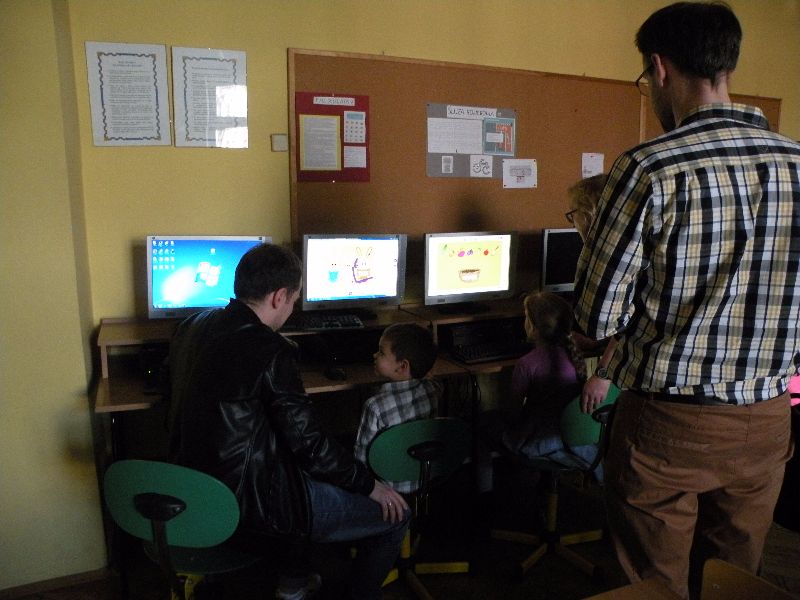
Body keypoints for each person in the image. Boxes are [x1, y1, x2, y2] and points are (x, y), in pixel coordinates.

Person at [573, 3, 800, 598]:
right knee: (735, 578)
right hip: (769, 416)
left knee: (652, 581)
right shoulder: (799, 164)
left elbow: (597, 316)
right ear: (727, 65)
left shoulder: (649, 166)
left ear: (659, 68)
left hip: (667, 423)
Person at [168, 243, 410, 600]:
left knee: (300, 468)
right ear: (279, 296)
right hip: (249, 507)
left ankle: (292, 582)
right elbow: (310, 447)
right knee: (397, 515)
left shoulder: (193, 326)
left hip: (193, 489)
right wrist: (370, 486)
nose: (292, 308)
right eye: (294, 300)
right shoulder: (271, 351)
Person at [477, 291, 600, 496]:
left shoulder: (526, 364)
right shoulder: (573, 349)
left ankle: (485, 492)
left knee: (480, 423)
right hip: (569, 433)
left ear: (532, 327)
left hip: (539, 438)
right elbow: (593, 343)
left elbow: (513, 412)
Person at [354, 323, 442, 493]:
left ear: (402, 366)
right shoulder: (433, 390)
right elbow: (431, 378)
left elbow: (361, 458)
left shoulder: (374, 406)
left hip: (388, 490)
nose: (374, 355)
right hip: (425, 478)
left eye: (381, 352)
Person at [565, 174, 619, 413]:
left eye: (572, 214)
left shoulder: (613, 258)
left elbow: (628, 325)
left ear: (588, 214)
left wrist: (602, 374)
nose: (572, 222)